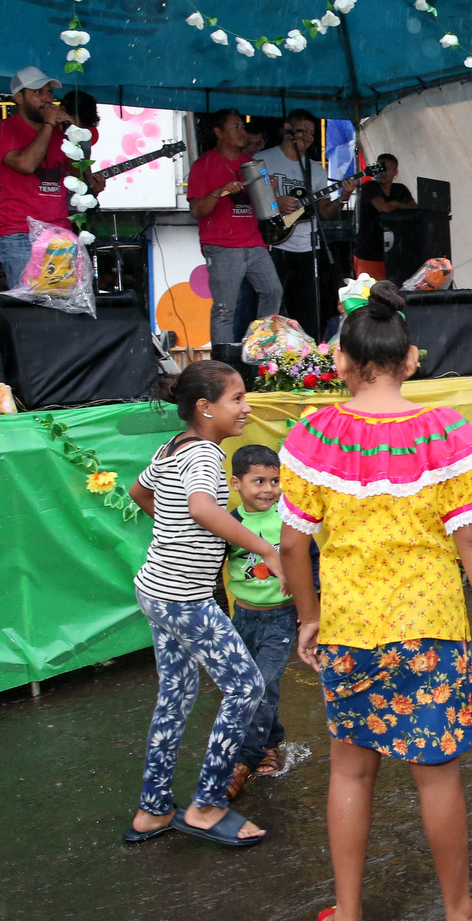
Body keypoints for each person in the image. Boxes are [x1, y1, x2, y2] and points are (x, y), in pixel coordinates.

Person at [277, 280, 472, 921]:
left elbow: (292, 544)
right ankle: (459, 916)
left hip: (349, 625)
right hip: (430, 625)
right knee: (437, 774)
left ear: (341, 362)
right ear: (412, 359)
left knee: (349, 771)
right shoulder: (446, 430)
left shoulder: (313, 432)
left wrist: (308, 618)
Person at [124, 361, 282, 848]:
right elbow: (202, 508)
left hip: (155, 590)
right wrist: (266, 549)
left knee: (176, 695)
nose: (246, 408)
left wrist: (173, 531)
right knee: (246, 686)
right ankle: (208, 804)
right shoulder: (206, 455)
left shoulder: (173, 447)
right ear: (204, 407)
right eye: (237, 399)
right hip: (184, 598)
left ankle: (152, 810)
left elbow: (139, 491)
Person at [223, 444, 298, 799]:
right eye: (258, 481)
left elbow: (310, 560)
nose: (268, 489)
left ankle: (246, 758)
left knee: (260, 683)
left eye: (274, 481)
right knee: (258, 685)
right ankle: (271, 742)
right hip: (243, 617)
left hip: (281, 618)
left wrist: (309, 610)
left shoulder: (288, 519)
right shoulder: (229, 524)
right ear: (236, 483)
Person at [0, 66, 105, 288]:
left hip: (60, 233)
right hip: (21, 234)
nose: (47, 98)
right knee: (29, 304)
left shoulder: (61, 133)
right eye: (38, 92)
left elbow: (78, 178)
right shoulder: (4, 130)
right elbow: (25, 164)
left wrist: (74, 134)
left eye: (49, 92)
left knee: (63, 303)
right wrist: (50, 124)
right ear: (19, 98)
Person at [259, 108, 360, 336]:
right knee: (273, 307)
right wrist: (276, 202)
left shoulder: (315, 169)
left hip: (308, 248)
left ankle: (307, 351)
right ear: (287, 128)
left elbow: (324, 212)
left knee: (307, 310)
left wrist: (344, 197)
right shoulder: (263, 159)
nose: (308, 136)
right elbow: (251, 201)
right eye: (303, 130)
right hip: (273, 244)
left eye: (312, 133)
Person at [187, 109, 282, 346]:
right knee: (224, 309)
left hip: (253, 242)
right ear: (218, 132)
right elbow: (196, 211)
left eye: (243, 127)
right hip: (221, 245)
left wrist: (270, 190)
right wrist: (220, 192)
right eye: (235, 127)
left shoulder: (250, 164)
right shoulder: (203, 165)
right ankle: (223, 362)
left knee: (273, 291)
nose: (242, 132)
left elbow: (266, 209)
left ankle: (258, 347)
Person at [353, 153, 415, 280]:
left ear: (395, 172)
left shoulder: (400, 189)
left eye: (386, 169)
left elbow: (415, 208)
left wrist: (394, 204)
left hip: (395, 253)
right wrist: (401, 205)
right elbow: (383, 208)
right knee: (370, 289)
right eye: (380, 168)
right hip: (369, 252)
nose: (382, 172)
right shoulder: (370, 186)